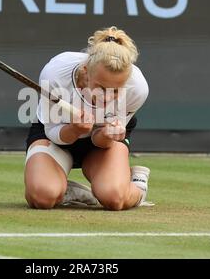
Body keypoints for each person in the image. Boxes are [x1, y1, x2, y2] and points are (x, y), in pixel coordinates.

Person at [24, 26, 150, 211]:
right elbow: (51, 132)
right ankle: (66, 190)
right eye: (100, 87)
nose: (106, 98)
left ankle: (137, 186)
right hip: (55, 136)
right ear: (86, 71)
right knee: (42, 197)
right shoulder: (55, 73)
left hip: (100, 145)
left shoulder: (137, 88)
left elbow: (102, 143)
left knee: (114, 198)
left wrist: (107, 135)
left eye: (115, 91)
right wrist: (74, 129)